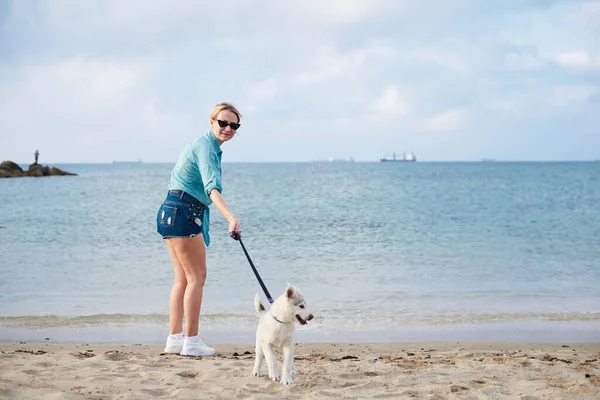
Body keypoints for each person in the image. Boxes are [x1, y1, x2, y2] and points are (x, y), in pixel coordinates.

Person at [156, 102, 242, 356]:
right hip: (183, 211)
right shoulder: (206, 147)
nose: (228, 128)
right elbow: (211, 188)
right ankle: (191, 342)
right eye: (223, 122)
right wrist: (230, 217)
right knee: (196, 278)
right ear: (212, 121)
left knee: (183, 278)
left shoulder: (208, 146)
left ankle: (175, 339)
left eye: (233, 125)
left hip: (170, 210)